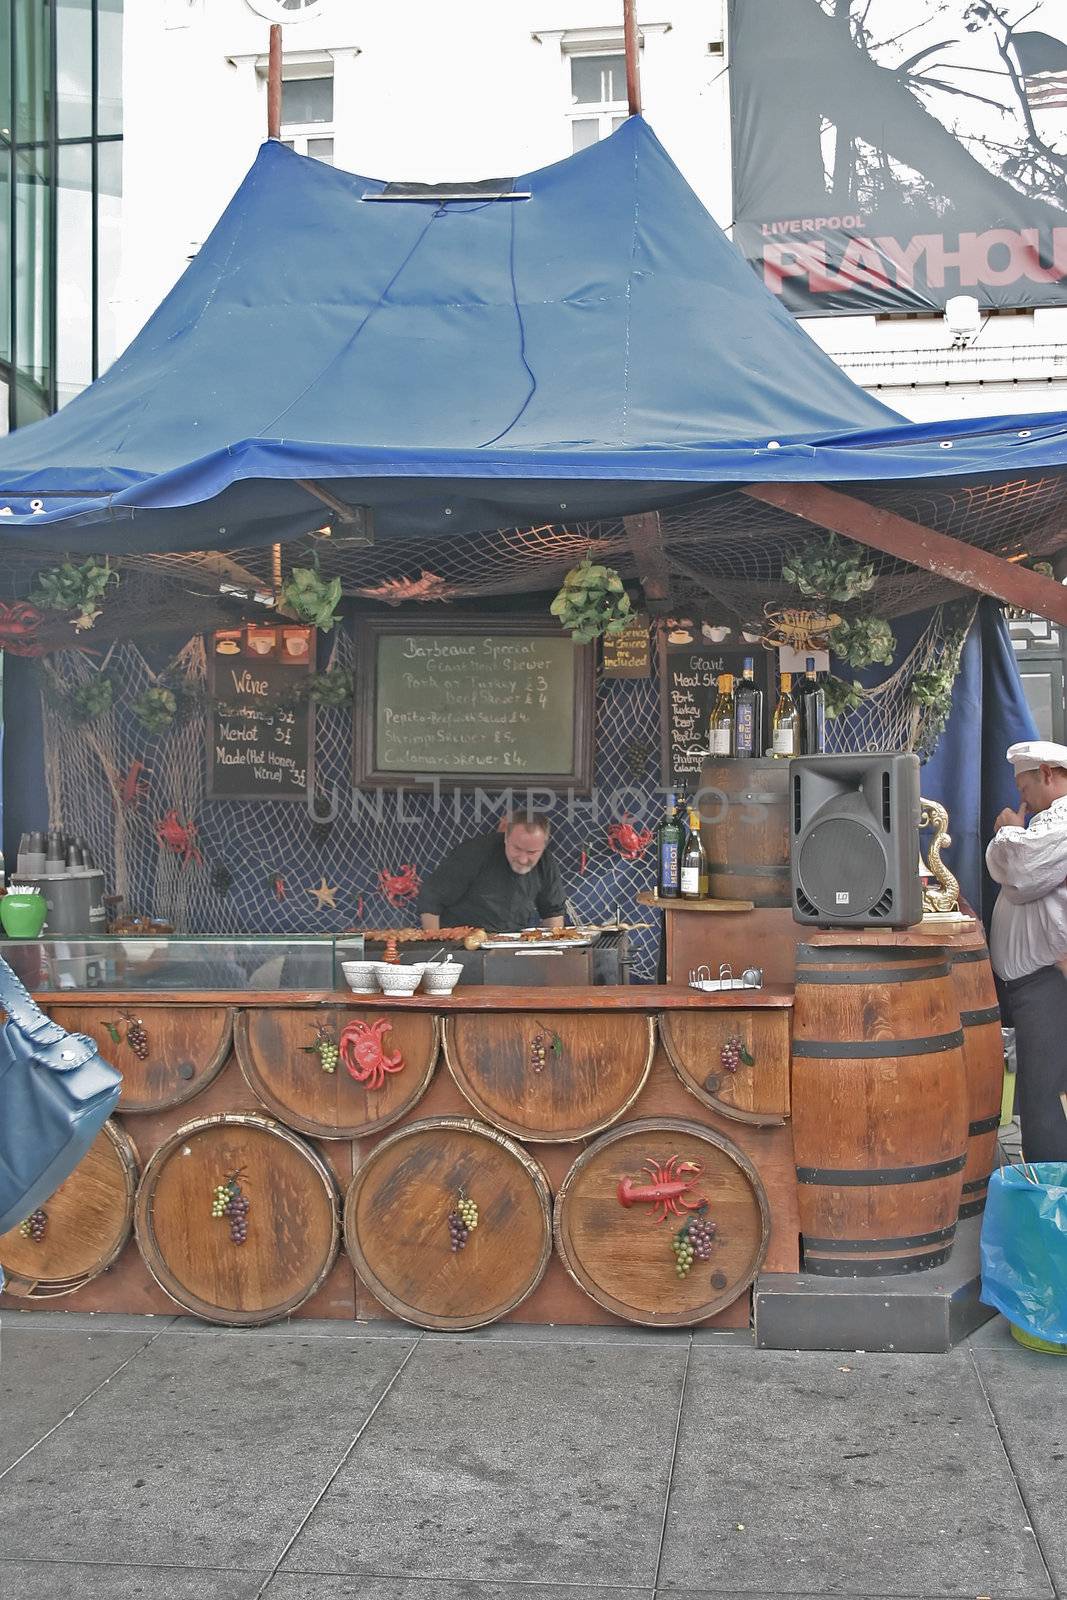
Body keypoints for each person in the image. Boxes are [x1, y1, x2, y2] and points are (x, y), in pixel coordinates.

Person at [985, 740, 1067, 1163]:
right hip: (1034, 983)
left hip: (1050, 981)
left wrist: (1007, 830)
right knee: (1038, 1089)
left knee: (1045, 1093)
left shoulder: (1063, 821)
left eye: (1026, 786)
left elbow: (1020, 871)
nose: (1022, 798)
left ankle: (1052, 1196)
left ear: (1049, 775)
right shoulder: (1044, 823)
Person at [418, 815, 564, 935]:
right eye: (517, 849)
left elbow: (553, 913)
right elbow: (431, 899)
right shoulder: (473, 852)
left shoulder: (546, 862)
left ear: (543, 846)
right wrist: (436, 945)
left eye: (532, 852)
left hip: (512, 944)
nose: (523, 859)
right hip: (460, 944)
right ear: (506, 838)